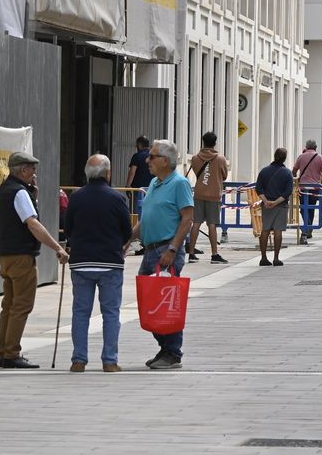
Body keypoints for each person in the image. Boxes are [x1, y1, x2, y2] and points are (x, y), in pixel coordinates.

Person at [0, 150, 69, 369]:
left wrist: (32, 194)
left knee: (9, 305)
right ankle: (11, 353)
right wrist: (57, 248)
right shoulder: (19, 192)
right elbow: (32, 224)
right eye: (32, 169)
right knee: (22, 305)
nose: (35, 173)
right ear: (23, 170)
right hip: (21, 256)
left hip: (5, 255)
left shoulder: (3, 191)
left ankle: (3, 352)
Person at [63, 154, 132, 373]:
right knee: (111, 313)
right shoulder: (118, 198)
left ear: (87, 173)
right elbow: (127, 232)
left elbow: (69, 228)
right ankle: (109, 361)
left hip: (81, 262)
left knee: (80, 312)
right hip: (110, 263)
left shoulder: (76, 197)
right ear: (108, 173)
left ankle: (79, 360)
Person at [130, 139, 195, 370]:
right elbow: (147, 218)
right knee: (148, 302)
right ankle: (164, 346)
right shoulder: (155, 182)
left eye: (152, 156)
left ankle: (172, 352)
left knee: (166, 304)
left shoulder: (179, 184)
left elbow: (187, 219)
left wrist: (173, 249)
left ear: (165, 161)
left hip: (166, 250)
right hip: (149, 250)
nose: (148, 160)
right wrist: (129, 238)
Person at [188, 132, 229, 263]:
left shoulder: (195, 158)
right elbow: (224, 175)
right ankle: (214, 254)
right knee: (212, 224)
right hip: (214, 195)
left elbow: (196, 172)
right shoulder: (220, 159)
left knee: (196, 223)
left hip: (199, 193)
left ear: (203, 142)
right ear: (215, 143)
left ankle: (191, 253)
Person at [254, 148, 293, 267]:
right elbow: (288, 191)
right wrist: (276, 202)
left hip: (267, 205)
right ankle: (276, 257)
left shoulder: (264, 171)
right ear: (284, 158)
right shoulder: (287, 173)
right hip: (281, 205)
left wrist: (266, 201)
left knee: (265, 230)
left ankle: (263, 257)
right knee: (278, 231)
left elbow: (258, 188)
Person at [291, 140, 322, 242]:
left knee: (303, 208)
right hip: (315, 187)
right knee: (311, 208)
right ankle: (309, 228)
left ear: (306, 147)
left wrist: (295, 180)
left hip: (303, 187)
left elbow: (294, 171)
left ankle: (307, 227)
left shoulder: (301, 156)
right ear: (316, 147)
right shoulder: (320, 158)